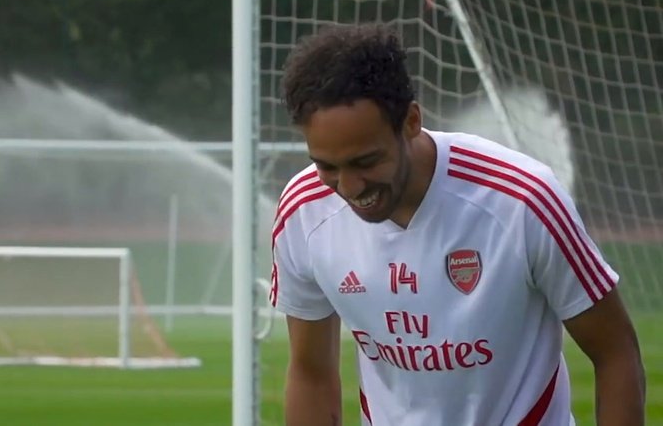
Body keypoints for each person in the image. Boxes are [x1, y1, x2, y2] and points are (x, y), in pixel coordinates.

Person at [270, 23, 645, 425]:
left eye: (366, 162)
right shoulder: (304, 211)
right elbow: (311, 374)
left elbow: (616, 353)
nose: (348, 186)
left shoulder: (522, 200)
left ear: (411, 121)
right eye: (327, 165)